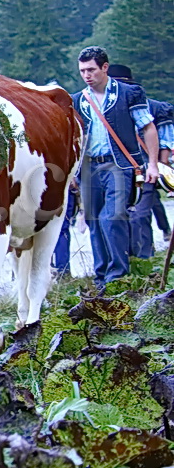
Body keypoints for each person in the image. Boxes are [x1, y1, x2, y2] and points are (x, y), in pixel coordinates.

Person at [73, 48, 160, 290]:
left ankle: (117, 275)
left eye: (91, 69)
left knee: (111, 217)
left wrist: (152, 164)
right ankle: (101, 276)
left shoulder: (130, 93)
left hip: (119, 164)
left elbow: (148, 127)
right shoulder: (77, 100)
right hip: (88, 167)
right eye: (82, 71)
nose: (86, 75)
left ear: (105, 67)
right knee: (93, 220)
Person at [107, 64, 174, 257]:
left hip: (144, 168)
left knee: (140, 214)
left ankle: (144, 257)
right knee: (119, 215)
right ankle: (129, 256)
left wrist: (160, 165)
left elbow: (166, 139)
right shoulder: (101, 106)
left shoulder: (154, 107)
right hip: (115, 169)